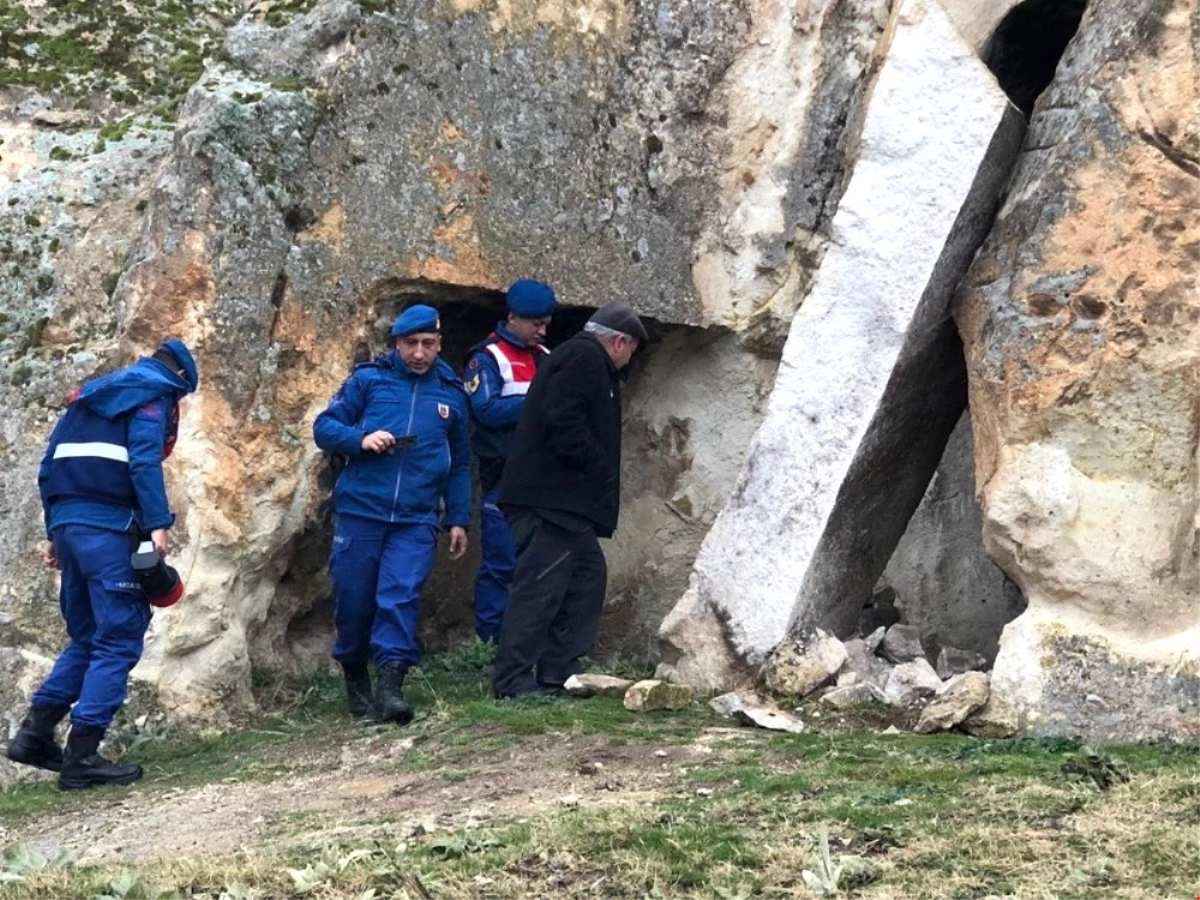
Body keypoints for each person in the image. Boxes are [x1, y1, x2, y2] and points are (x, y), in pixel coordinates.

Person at [6, 339, 199, 790]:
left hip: (70, 528)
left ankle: (34, 735)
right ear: (180, 380)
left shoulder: (88, 397)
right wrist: (157, 523)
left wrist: (55, 530)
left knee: (87, 636)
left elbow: (48, 467)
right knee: (117, 639)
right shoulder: (155, 395)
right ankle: (83, 756)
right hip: (109, 530)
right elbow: (144, 460)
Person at [314, 304, 471, 725]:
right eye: (410, 344)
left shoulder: (452, 394)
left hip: (417, 517)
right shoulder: (369, 381)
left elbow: (459, 463)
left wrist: (458, 517)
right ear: (397, 344)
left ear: (439, 344)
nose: (419, 353)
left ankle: (391, 686)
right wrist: (361, 439)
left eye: (428, 344)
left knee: (399, 595)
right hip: (361, 511)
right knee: (355, 602)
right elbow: (324, 428)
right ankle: (354, 672)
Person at [491, 301, 648, 699]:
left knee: (585, 579)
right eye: (632, 349)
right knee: (539, 588)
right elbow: (562, 420)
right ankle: (513, 681)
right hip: (549, 502)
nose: (630, 359)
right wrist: (595, 464)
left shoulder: (581, 358)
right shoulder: (582, 357)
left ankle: (558, 671)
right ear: (618, 342)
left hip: (563, 506)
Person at [463, 279, 556, 643]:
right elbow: (485, 409)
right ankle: (490, 644)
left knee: (540, 566)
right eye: (536, 323)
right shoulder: (487, 357)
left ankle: (530, 642)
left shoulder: (546, 357)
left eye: (546, 323)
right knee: (501, 564)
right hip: (503, 476)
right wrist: (538, 402)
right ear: (514, 317)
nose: (542, 330)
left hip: (542, 477)